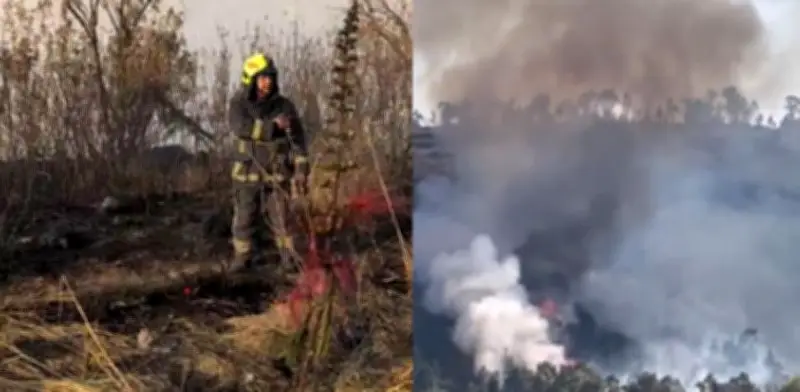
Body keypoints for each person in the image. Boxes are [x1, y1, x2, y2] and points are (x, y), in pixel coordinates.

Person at [226, 52, 309, 271]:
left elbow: (298, 140)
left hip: (277, 174)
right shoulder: (239, 104)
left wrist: (301, 169)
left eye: (270, 77)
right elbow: (241, 127)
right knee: (244, 220)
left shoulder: (284, 106)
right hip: (247, 174)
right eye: (262, 77)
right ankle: (242, 261)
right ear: (251, 79)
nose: (267, 82)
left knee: (283, 220)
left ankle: (289, 260)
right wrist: (273, 127)